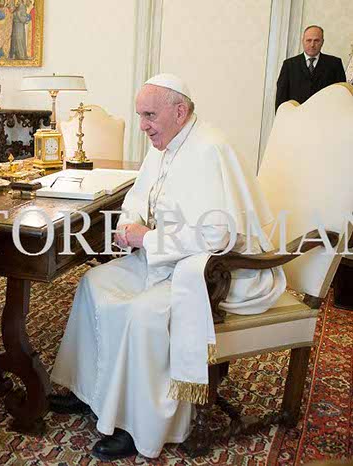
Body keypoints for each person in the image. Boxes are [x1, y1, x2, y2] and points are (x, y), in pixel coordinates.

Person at [49, 74, 286, 460]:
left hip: (211, 271)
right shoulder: (163, 144)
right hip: (163, 258)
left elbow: (218, 237)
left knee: (144, 313)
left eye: (150, 115)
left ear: (180, 111)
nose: (143, 126)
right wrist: (129, 226)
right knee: (93, 283)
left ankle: (138, 425)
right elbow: (136, 199)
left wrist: (147, 238)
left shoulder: (210, 149)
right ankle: (92, 392)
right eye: (140, 116)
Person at [275, 25, 347, 110]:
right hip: (297, 116)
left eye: (316, 40)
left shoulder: (335, 64)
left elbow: (341, 96)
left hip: (324, 115)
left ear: (322, 42)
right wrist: (281, 116)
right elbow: (281, 98)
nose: (312, 45)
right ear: (303, 41)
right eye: (309, 40)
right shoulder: (289, 65)